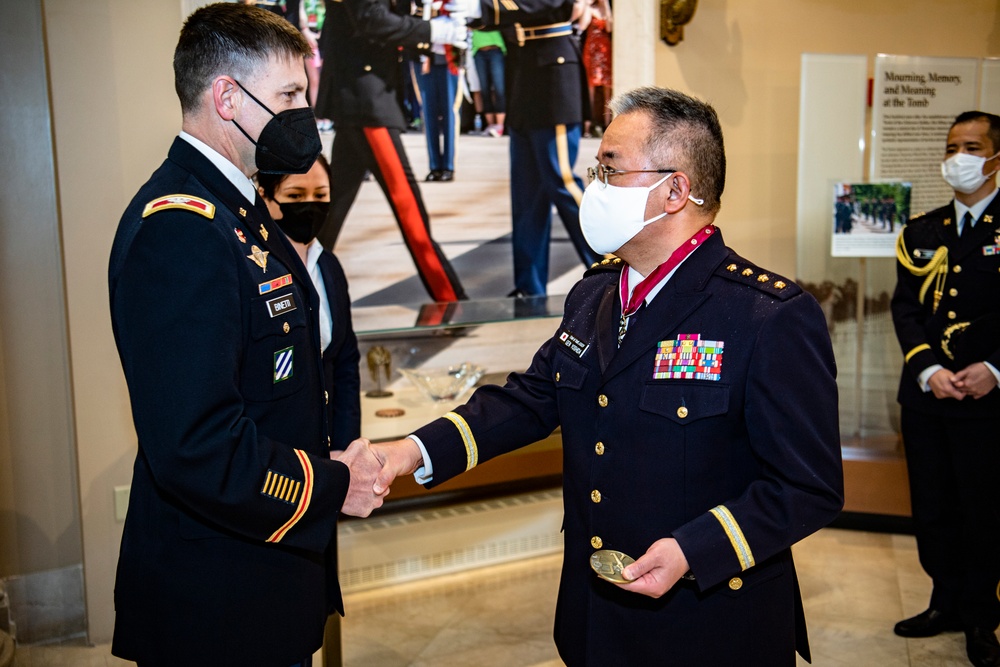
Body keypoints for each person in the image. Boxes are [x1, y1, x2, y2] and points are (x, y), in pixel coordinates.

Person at [370, 86, 845, 665]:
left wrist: (693, 550)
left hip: (708, 623)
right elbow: (528, 399)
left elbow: (808, 486)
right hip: (596, 618)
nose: (593, 184)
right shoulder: (595, 291)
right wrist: (409, 452)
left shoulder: (767, 314)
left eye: (609, 168)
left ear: (675, 190)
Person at [107, 5, 385, 664]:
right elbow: (198, 443)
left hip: (265, 573)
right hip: (219, 598)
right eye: (289, 95)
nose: (303, 116)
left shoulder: (242, 212)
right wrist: (331, 483)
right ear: (227, 96)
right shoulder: (183, 228)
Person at [890, 110, 1000, 667]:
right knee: (932, 508)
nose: (960, 156)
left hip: (989, 401)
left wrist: (995, 369)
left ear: (996, 157)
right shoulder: (923, 231)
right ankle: (944, 602)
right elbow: (906, 308)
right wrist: (928, 368)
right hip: (928, 396)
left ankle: (982, 616)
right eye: (954, 146)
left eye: (973, 146)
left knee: (983, 509)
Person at [314, 0, 468, 302]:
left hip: (364, 91)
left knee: (329, 213)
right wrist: (431, 30)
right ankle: (451, 301)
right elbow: (371, 19)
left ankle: (296, 283)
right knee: (409, 210)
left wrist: (429, 34)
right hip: (366, 97)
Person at [452, 0, 600, 296]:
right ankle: (529, 286)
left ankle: (613, 266)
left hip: (553, 73)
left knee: (562, 181)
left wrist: (482, 7)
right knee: (527, 189)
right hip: (523, 73)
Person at [257, 155, 361, 453]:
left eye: (320, 195)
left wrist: (346, 450)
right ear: (265, 197)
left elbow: (344, 364)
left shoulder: (328, 266)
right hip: (273, 456)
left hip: (327, 452)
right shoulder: (254, 270)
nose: (310, 205)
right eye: (295, 195)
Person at [579, 0, 612, 137]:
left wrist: (606, 6)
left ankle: (607, 124)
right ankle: (588, 126)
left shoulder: (605, 11)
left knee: (607, 89)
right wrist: (586, 5)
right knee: (590, 89)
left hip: (605, 51)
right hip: (591, 51)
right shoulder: (589, 8)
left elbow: (609, 28)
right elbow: (583, 25)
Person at [471, 28, 506, 137]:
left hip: (495, 49)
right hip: (479, 51)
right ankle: (490, 125)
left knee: (499, 88)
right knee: (484, 89)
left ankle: (500, 125)